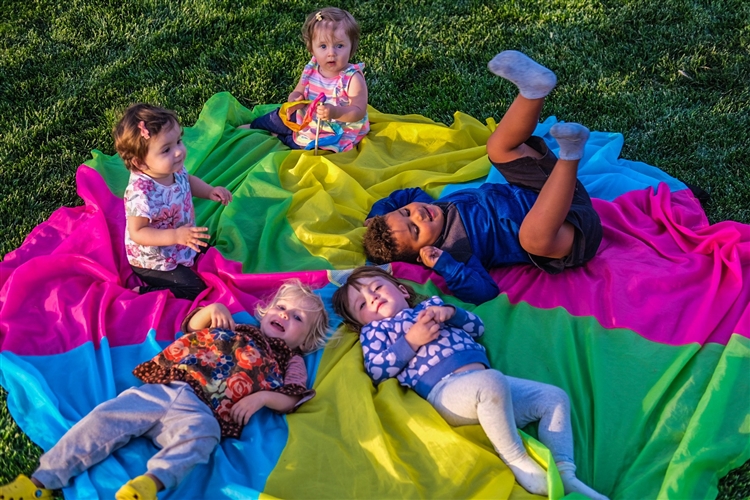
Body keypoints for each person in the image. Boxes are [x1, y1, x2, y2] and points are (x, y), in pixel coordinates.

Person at [0, 280, 329, 500]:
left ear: (306, 341)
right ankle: (40, 482)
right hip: (168, 383)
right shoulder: (236, 325)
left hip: (205, 411)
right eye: (282, 307)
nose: (285, 315)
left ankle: (148, 484)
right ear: (265, 311)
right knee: (105, 419)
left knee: (201, 440)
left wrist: (262, 397)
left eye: (298, 317)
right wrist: (209, 312)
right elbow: (192, 328)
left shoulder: (290, 359)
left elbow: (292, 396)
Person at [332, 266, 608, 499]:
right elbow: (378, 370)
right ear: (360, 321)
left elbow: (477, 328)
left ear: (402, 290)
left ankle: (564, 471)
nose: (372, 298)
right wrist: (410, 341)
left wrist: (452, 313)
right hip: (446, 392)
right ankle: (515, 459)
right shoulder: (376, 331)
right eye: (362, 304)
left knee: (553, 397)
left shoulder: (432, 306)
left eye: (376, 287)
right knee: (491, 382)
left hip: (488, 387)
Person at [363, 51, 602, 304]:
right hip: (571, 233)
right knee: (531, 239)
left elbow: (406, 194)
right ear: (422, 253)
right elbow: (484, 290)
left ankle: (534, 90)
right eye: (415, 230)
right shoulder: (455, 251)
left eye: (406, 213)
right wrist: (445, 265)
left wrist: (377, 214)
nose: (418, 215)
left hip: (549, 189)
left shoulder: (431, 206)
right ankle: (570, 153)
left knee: (497, 148)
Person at [115, 103, 232, 300]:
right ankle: (145, 292)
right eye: (166, 149)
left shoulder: (172, 168)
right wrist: (176, 236)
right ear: (140, 162)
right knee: (195, 289)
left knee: (212, 253)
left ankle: (187, 251)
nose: (178, 152)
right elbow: (138, 233)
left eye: (178, 141)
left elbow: (187, 181)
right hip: (154, 261)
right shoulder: (141, 192)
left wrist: (210, 191)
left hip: (180, 240)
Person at [239, 7, 369, 153]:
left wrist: (335, 112)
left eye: (339, 46)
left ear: (352, 47)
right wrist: (295, 100)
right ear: (312, 49)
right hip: (305, 117)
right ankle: (255, 125)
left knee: (314, 149)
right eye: (323, 46)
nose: (331, 53)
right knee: (277, 117)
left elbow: (358, 111)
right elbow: (297, 92)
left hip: (334, 128)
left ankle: (282, 137)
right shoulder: (311, 69)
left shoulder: (352, 78)